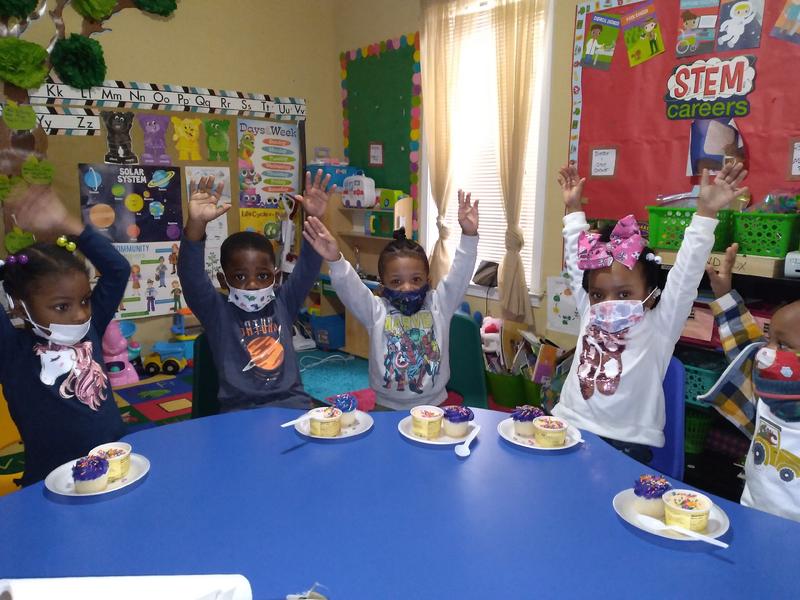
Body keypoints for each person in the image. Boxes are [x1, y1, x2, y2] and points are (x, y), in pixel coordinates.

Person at [552, 161, 747, 464]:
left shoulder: (660, 325)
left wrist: (706, 213)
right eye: (599, 294)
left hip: (626, 444)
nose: (608, 303)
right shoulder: (590, 310)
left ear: (652, 295)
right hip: (568, 426)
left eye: (624, 294)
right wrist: (574, 209)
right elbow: (578, 265)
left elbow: (685, 275)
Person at [302, 190, 479, 410]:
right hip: (386, 406)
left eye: (416, 279)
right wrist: (335, 261)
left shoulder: (439, 305)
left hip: (433, 406)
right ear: (383, 286)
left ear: (428, 281)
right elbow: (351, 289)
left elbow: (459, 276)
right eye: (396, 281)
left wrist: (469, 236)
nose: (407, 287)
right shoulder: (376, 311)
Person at [0, 185, 128, 486]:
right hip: (51, 481)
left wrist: (69, 225)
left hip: (113, 464)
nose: (80, 314)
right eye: (62, 306)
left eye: (84, 300)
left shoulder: (91, 328)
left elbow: (118, 270)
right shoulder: (11, 351)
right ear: (18, 306)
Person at [178, 170, 335, 411]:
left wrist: (315, 217)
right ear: (223, 280)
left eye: (262, 276)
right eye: (240, 277)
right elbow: (191, 277)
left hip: (293, 406)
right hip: (241, 412)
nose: (252, 284)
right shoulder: (217, 312)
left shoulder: (284, 302)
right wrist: (196, 224)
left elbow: (307, 268)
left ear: (276, 277)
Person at [701, 243, 800, 522]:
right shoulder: (768, 391)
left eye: (782, 344)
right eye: (770, 339)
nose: (766, 351)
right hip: (753, 510)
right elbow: (744, 346)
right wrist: (723, 295)